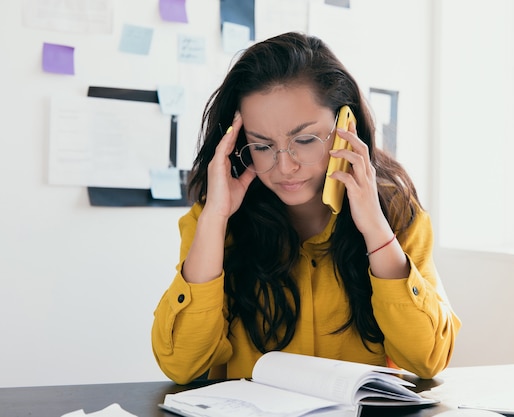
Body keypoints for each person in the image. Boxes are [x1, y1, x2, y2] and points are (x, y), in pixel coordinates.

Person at [151, 31, 461, 385]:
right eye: (262, 145)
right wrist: (215, 220)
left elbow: (428, 359)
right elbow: (181, 365)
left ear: (347, 127)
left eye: (304, 140)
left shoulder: (396, 213)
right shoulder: (212, 224)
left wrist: (375, 229)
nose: (285, 167)